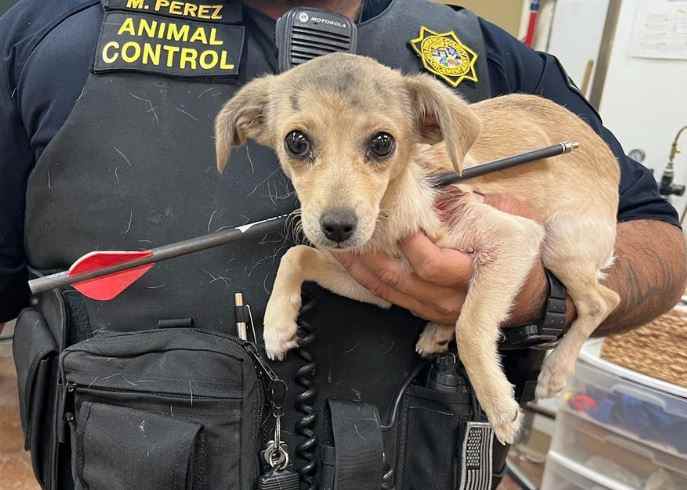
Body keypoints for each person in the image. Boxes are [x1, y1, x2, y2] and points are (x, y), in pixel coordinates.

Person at [1, 0, 685, 488]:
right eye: (299, 144)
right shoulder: (47, 36)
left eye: (378, 145)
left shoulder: (479, 52)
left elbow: (655, 234)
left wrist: (538, 295)